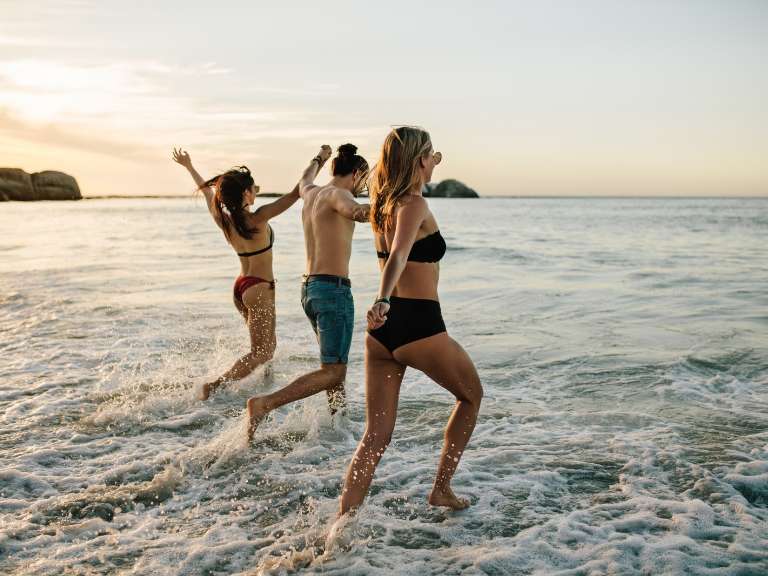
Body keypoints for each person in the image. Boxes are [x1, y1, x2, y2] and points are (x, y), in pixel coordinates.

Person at [338, 127, 482, 513]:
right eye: (431, 155)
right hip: (420, 325)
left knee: (375, 436)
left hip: (383, 334)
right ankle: (442, 489)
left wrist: (384, 307)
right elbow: (400, 255)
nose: (435, 161)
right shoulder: (414, 204)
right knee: (471, 397)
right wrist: (382, 298)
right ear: (419, 160)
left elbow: (395, 252)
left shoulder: (383, 206)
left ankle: (342, 522)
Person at [172, 146, 332, 400]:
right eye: (253, 187)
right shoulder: (258, 218)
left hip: (241, 288)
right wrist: (320, 160)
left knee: (266, 346)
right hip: (259, 288)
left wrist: (189, 166)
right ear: (245, 193)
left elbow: (206, 192)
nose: (256, 190)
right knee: (262, 352)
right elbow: (296, 192)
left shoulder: (224, 220)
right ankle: (213, 387)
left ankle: (265, 385)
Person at [246, 144, 370, 441]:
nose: (364, 184)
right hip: (332, 291)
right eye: (364, 178)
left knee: (333, 365)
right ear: (355, 173)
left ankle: (338, 425)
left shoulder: (311, 191)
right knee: (334, 371)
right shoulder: (340, 195)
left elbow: (304, 176)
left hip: (310, 289)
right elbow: (356, 212)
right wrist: (392, 202)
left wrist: (319, 158)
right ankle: (265, 404)